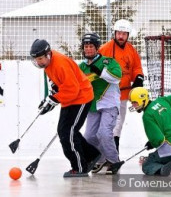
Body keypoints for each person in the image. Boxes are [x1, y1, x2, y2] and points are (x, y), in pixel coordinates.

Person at [30, 39, 100, 177]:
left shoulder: (60, 64)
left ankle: (79, 167)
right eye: (36, 59)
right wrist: (49, 102)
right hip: (70, 99)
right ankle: (92, 155)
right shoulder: (48, 65)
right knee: (65, 130)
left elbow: (72, 89)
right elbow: (58, 84)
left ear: (48, 54)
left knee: (68, 132)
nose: (39, 62)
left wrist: (55, 99)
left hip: (81, 97)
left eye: (40, 59)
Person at [79, 33, 122, 174]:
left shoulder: (108, 62)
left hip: (109, 105)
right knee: (89, 137)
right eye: (86, 46)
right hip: (92, 106)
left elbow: (117, 78)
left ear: (97, 48)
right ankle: (100, 159)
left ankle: (114, 161)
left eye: (91, 46)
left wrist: (101, 71)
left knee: (104, 133)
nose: (88, 49)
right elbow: (75, 83)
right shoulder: (81, 67)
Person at [99, 19, 144, 153]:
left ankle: (113, 154)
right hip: (107, 94)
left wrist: (138, 78)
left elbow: (136, 67)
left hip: (124, 94)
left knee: (118, 125)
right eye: (119, 33)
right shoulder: (105, 49)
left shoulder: (131, 50)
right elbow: (98, 66)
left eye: (124, 34)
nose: (121, 36)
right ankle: (103, 153)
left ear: (128, 35)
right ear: (115, 33)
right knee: (107, 125)